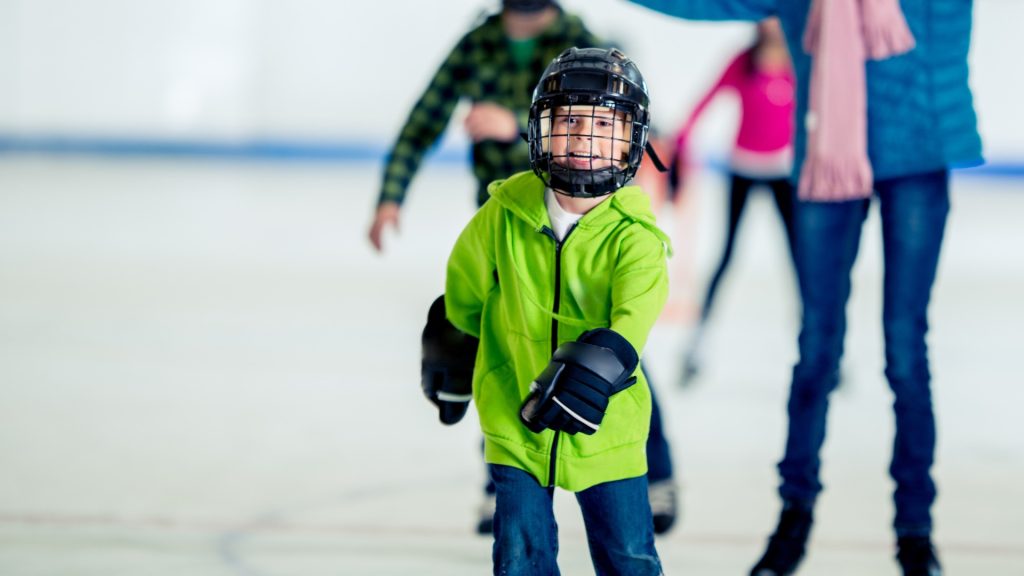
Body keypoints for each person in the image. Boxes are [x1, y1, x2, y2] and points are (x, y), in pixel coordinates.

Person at [626, 1, 983, 575]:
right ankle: (795, 515)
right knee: (817, 349)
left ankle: (915, 529)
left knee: (905, 352)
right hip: (825, 164)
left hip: (918, 164)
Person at [373, 0, 680, 535]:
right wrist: (390, 196)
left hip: (586, 221)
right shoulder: (479, 42)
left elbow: (607, 121)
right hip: (512, 222)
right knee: (503, 348)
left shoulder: (578, 42)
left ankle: (656, 475)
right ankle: (502, 480)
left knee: (608, 350)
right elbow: (424, 118)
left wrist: (511, 122)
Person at [442, 47, 669, 574]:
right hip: (515, 419)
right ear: (540, 128)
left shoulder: (637, 236)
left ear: (632, 138)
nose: (584, 136)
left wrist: (602, 364)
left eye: (604, 124)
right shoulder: (503, 212)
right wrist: (452, 344)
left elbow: (633, 319)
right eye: (569, 120)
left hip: (607, 428)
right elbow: (464, 287)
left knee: (628, 556)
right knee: (519, 557)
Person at [671, 18, 797, 384]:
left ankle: (824, 347)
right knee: (726, 256)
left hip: (783, 171)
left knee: (800, 261)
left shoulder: (798, 62)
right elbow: (705, 100)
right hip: (743, 168)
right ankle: (696, 346)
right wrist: (682, 143)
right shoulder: (744, 61)